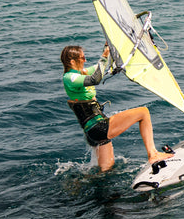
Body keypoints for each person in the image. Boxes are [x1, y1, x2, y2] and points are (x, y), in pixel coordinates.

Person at [60, 44, 173, 172]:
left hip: (93, 132)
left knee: (106, 169)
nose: (85, 60)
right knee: (143, 112)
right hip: (98, 127)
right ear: (72, 61)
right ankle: (153, 153)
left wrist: (110, 48)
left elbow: (102, 69)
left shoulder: (81, 73)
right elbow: (95, 79)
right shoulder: (70, 77)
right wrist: (103, 57)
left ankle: (79, 184)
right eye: (82, 57)